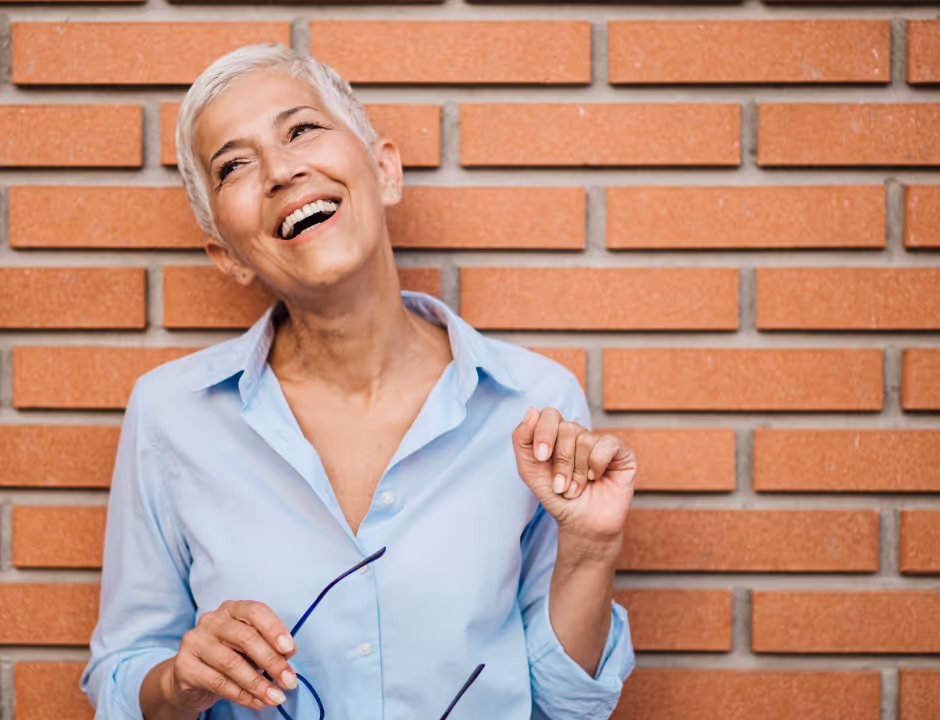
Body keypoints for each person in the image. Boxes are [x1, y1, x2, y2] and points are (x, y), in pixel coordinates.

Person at [79, 43, 638, 720]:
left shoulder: (535, 404)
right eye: (234, 165)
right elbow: (120, 674)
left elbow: (564, 709)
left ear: (384, 169)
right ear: (226, 257)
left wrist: (590, 551)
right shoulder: (170, 414)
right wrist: (177, 682)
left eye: (302, 130)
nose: (282, 169)